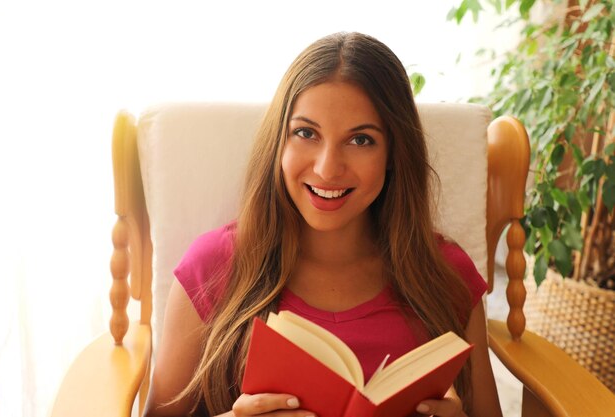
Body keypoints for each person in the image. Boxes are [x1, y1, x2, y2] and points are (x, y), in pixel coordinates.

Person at [143, 32, 503, 417]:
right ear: (279, 142)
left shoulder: (445, 273)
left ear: (395, 154)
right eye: (306, 133)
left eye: (361, 140)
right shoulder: (213, 266)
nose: (327, 168)